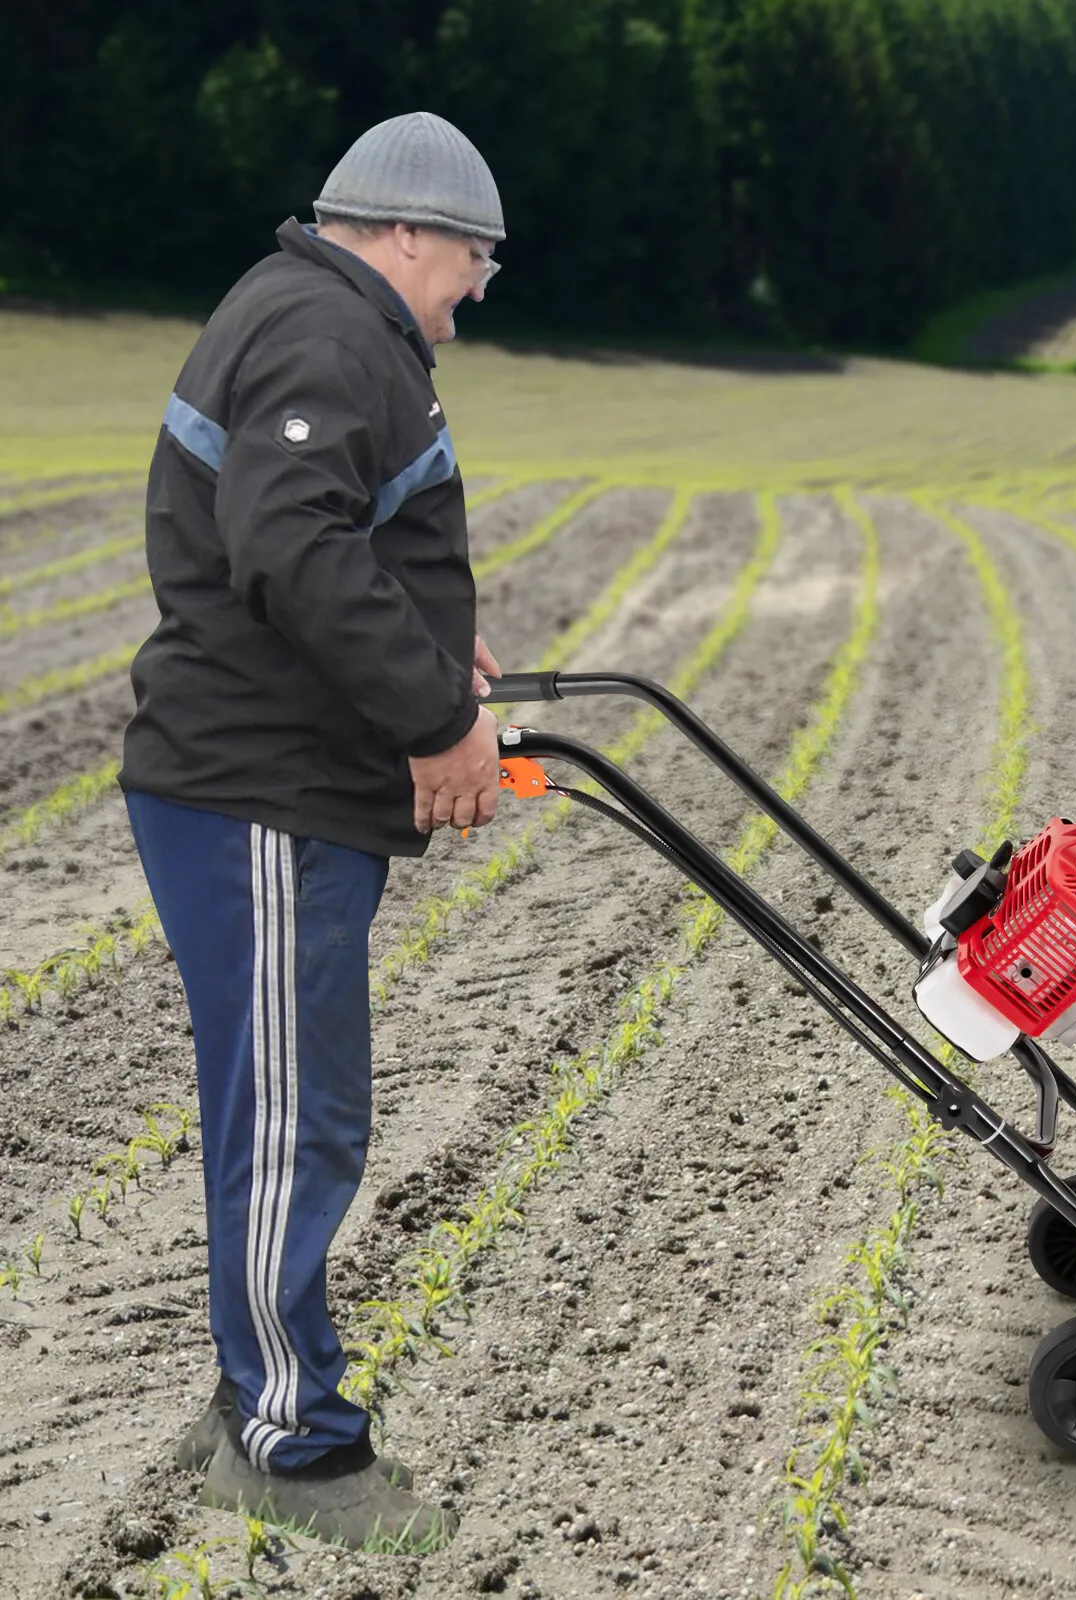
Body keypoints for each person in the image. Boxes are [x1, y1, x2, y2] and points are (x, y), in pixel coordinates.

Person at [118, 111, 509, 1549]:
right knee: (296, 1116)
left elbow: (327, 534)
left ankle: (278, 1414)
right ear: (408, 231)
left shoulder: (320, 321)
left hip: (261, 782)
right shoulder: (328, 335)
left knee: (290, 1107)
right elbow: (288, 542)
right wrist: (433, 721)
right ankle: (292, 1450)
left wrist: (436, 661)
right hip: (259, 793)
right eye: (474, 261)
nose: (473, 296)